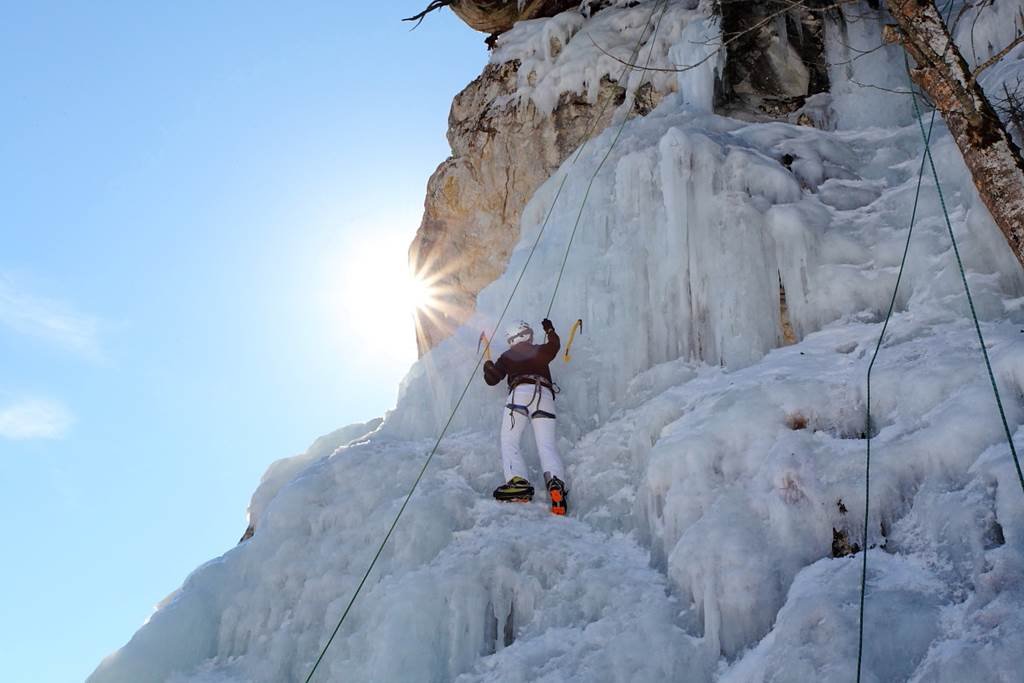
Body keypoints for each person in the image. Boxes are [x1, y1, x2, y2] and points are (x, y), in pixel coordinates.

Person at [482, 318, 568, 515]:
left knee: (509, 440)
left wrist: (487, 366)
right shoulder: (539, 350)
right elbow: (555, 346)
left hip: (519, 393)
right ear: (527, 334)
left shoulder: (507, 355)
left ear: (511, 338)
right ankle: (556, 487)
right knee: (547, 446)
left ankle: (518, 482)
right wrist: (549, 328)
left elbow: (492, 379)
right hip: (545, 396)